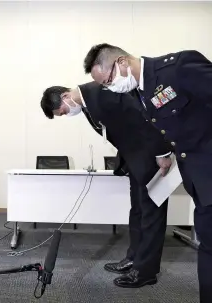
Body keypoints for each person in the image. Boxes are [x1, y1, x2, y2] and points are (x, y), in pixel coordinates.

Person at [83, 43, 212, 302]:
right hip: (198, 178)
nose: (109, 88)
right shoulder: (138, 93)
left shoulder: (178, 67)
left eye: (108, 81)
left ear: (121, 63)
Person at [40, 82, 172, 288]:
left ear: (66, 96)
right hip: (135, 161)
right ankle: (134, 259)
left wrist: (162, 153)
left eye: (63, 112)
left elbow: (144, 117)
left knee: (151, 215)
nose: (66, 114)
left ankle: (146, 271)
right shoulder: (87, 104)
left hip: (151, 158)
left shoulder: (100, 93)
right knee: (137, 211)